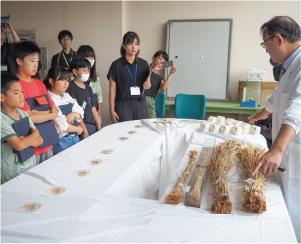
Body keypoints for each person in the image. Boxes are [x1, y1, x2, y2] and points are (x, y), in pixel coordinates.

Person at [249, 16, 301, 242]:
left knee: (295, 215)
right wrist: (262, 113)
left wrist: (277, 150)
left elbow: (297, 108)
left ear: (278, 39)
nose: (266, 50)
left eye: (265, 44)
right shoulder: (290, 66)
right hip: (290, 155)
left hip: (293, 152)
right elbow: (279, 96)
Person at [12, 41, 59, 164]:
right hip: (30, 147)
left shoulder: (39, 85)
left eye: (37, 61)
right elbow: (27, 117)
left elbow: (55, 109)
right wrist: (50, 115)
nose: (36, 65)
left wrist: (41, 113)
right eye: (32, 61)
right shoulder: (14, 86)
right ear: (19, 61)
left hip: (48, 141)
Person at [107, 31, 161, 123]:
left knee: (142, 131)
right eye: (130, 44)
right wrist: (111, 110)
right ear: (123, 45)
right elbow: (112, 89)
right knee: (124, 133)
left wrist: (148, 85)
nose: (133, 47)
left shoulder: (143, 64)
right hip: (123, 104)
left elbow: (148, 83)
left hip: (140, 103)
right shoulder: (116, 65)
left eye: (136, 44)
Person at [0, 73, 43, 184]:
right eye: (16, 93)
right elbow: (18, 145)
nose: (21, 96)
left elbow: (40, 140)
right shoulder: (2, 118)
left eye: (21, 92)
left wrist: (26, 141)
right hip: (11, 175)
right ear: (1, 97)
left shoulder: (23, 114)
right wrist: (34, 134)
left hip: (30, 167)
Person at [44, 66, 84, 155]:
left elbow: (81, 111)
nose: (66, 83)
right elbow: (61, 124)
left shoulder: (66, 95)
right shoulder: (49, 98)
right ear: (51, 81)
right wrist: (78, 129)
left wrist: (74, 114)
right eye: (62, 80)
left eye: (67, 80)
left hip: (74, 137)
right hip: (61, 141)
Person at [67, 57, 101, 139]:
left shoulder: (88, 88)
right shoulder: (70, 88)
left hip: (92, 125)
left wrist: (99, 127)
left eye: (88, 71)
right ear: (75, 71)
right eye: (84, 71)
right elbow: (74, 111)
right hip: (81, 127)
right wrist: (85, 132)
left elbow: (93, 108)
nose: (87, 74)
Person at [76, 45, 103, 127]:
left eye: (92, 57)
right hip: (80, 118)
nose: (91, 60)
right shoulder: (73, 76)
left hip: (95, 115)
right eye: (88, 57)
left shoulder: (95, 74)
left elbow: (99, 95)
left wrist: (98, 113)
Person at [145, 51, 177, 118]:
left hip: (150, 102)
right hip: (139, 100)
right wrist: (152, 69)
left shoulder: (158, 77)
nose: (161, 62)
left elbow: (164, 87)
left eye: (164, 61)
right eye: (160, 59)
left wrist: (170, 73)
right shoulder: (144, 68)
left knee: (152, 122)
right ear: (153, 58)